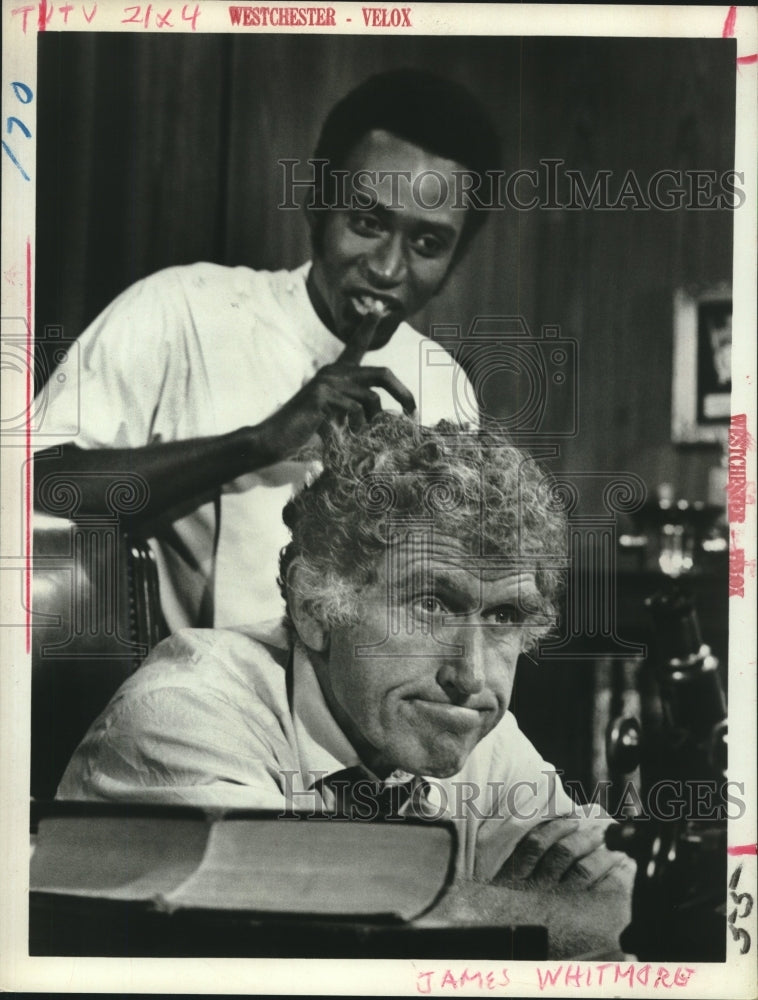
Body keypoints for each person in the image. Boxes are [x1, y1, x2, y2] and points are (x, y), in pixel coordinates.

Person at [58, 415, 634, 954]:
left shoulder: (467, 722)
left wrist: (482, 918)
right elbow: (313, 947)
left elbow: (619, 902)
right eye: (431, 604)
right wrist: (521, 921)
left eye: (505, 617)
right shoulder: (182, 713)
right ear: (314, 606)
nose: (472, 675)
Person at [33, 68, 499, 631]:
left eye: (427, 243)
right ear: (315, 204)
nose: (387, 269)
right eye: (367, 222)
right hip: (204, 700)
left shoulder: (443, 384)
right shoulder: (184, 307)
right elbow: (37, 483)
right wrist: (256, 444)